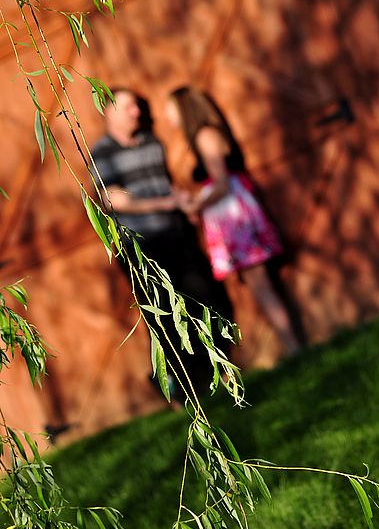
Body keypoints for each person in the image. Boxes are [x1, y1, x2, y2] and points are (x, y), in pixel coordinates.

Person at [90, 87, 233, 404]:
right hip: (142, 249)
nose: (136, 112)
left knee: (206, 302)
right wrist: (166, 202)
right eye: (128, 106)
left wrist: (180, 201)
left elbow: (165, 183)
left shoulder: (152, 142)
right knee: (165, 316)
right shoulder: (103, 153)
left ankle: (216, 373)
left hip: (177, 236)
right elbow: (112, 199)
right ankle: (181, 389)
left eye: (137, 106)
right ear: (108, 111)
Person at [165, 86, 301, 356]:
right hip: (230, 213)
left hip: (232, 216)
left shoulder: (205, 135)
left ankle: (294, 348)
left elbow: (222, 184)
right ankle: (294, 347)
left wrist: (195, 204)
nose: (168, 116)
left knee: (261, 285)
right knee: (259, 283)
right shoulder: (205, 135)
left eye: (170, 109)